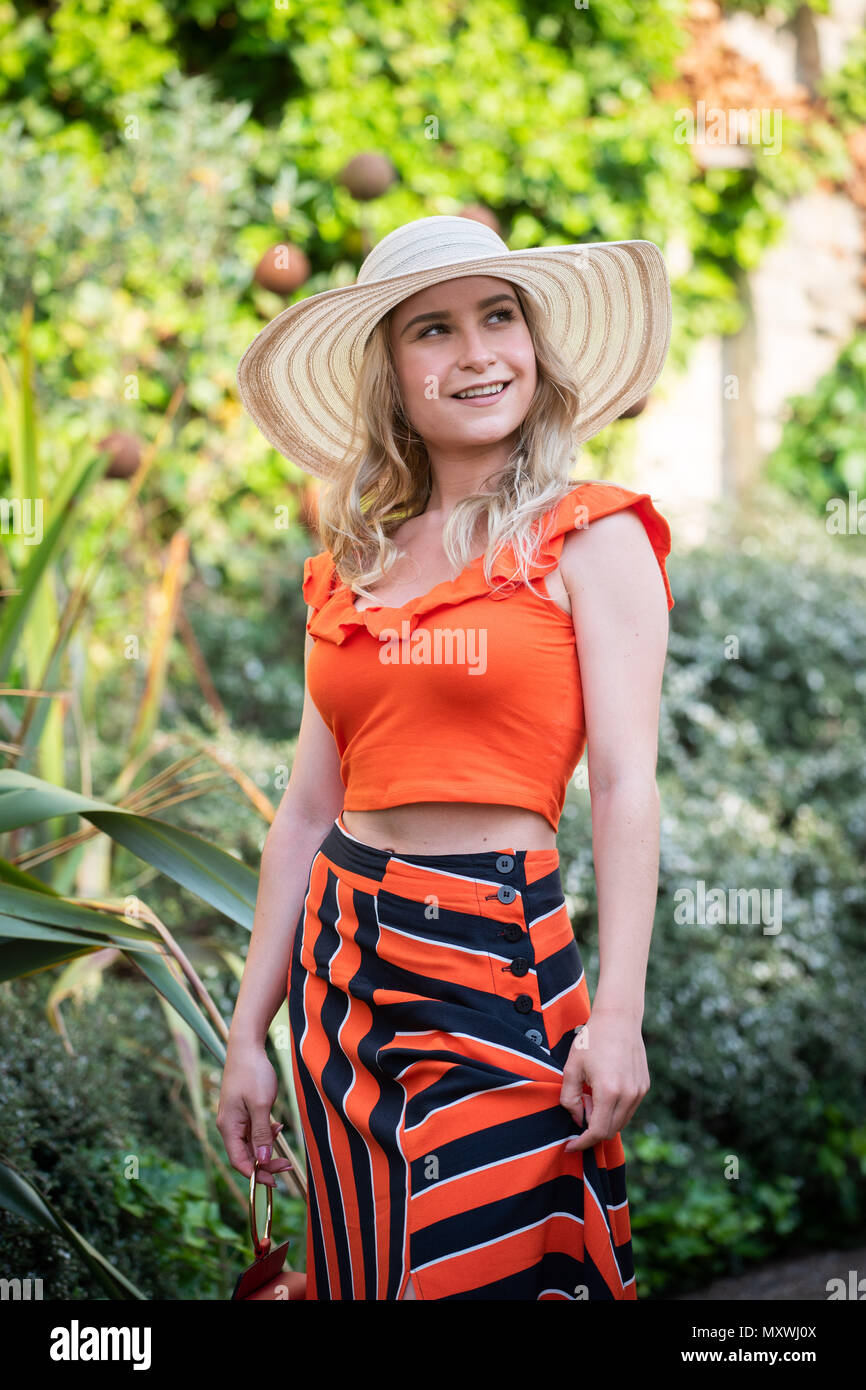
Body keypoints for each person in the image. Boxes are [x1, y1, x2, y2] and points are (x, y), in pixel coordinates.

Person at [219, 215, 675, 1300]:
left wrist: (616, 1014)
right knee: (365, 1272)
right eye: (433, 329)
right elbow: (303, 809)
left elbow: (622, 784)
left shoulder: (589, 535)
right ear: (392, 373)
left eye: (498, 316)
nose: (476, 352)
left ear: (533, 343)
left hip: (493, 951)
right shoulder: (352, 566)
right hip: (338, 964)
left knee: (488, 1269)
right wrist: (248, 1031)